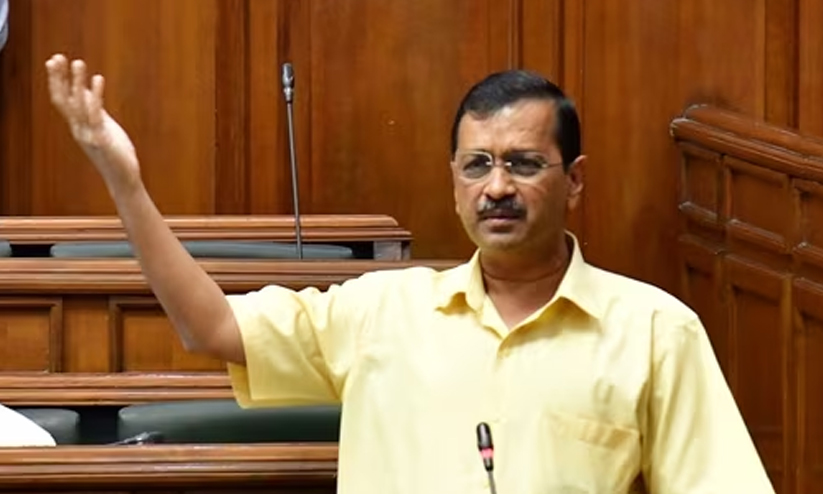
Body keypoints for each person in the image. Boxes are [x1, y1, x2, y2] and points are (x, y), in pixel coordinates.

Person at [44, 53, 774, 493]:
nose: (496, 187)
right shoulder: (380, 312)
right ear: (454, 182)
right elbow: (208, 326)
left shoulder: (654, 330)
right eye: (477, 165)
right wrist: (126, 184)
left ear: (573, 181)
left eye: (523, 164)